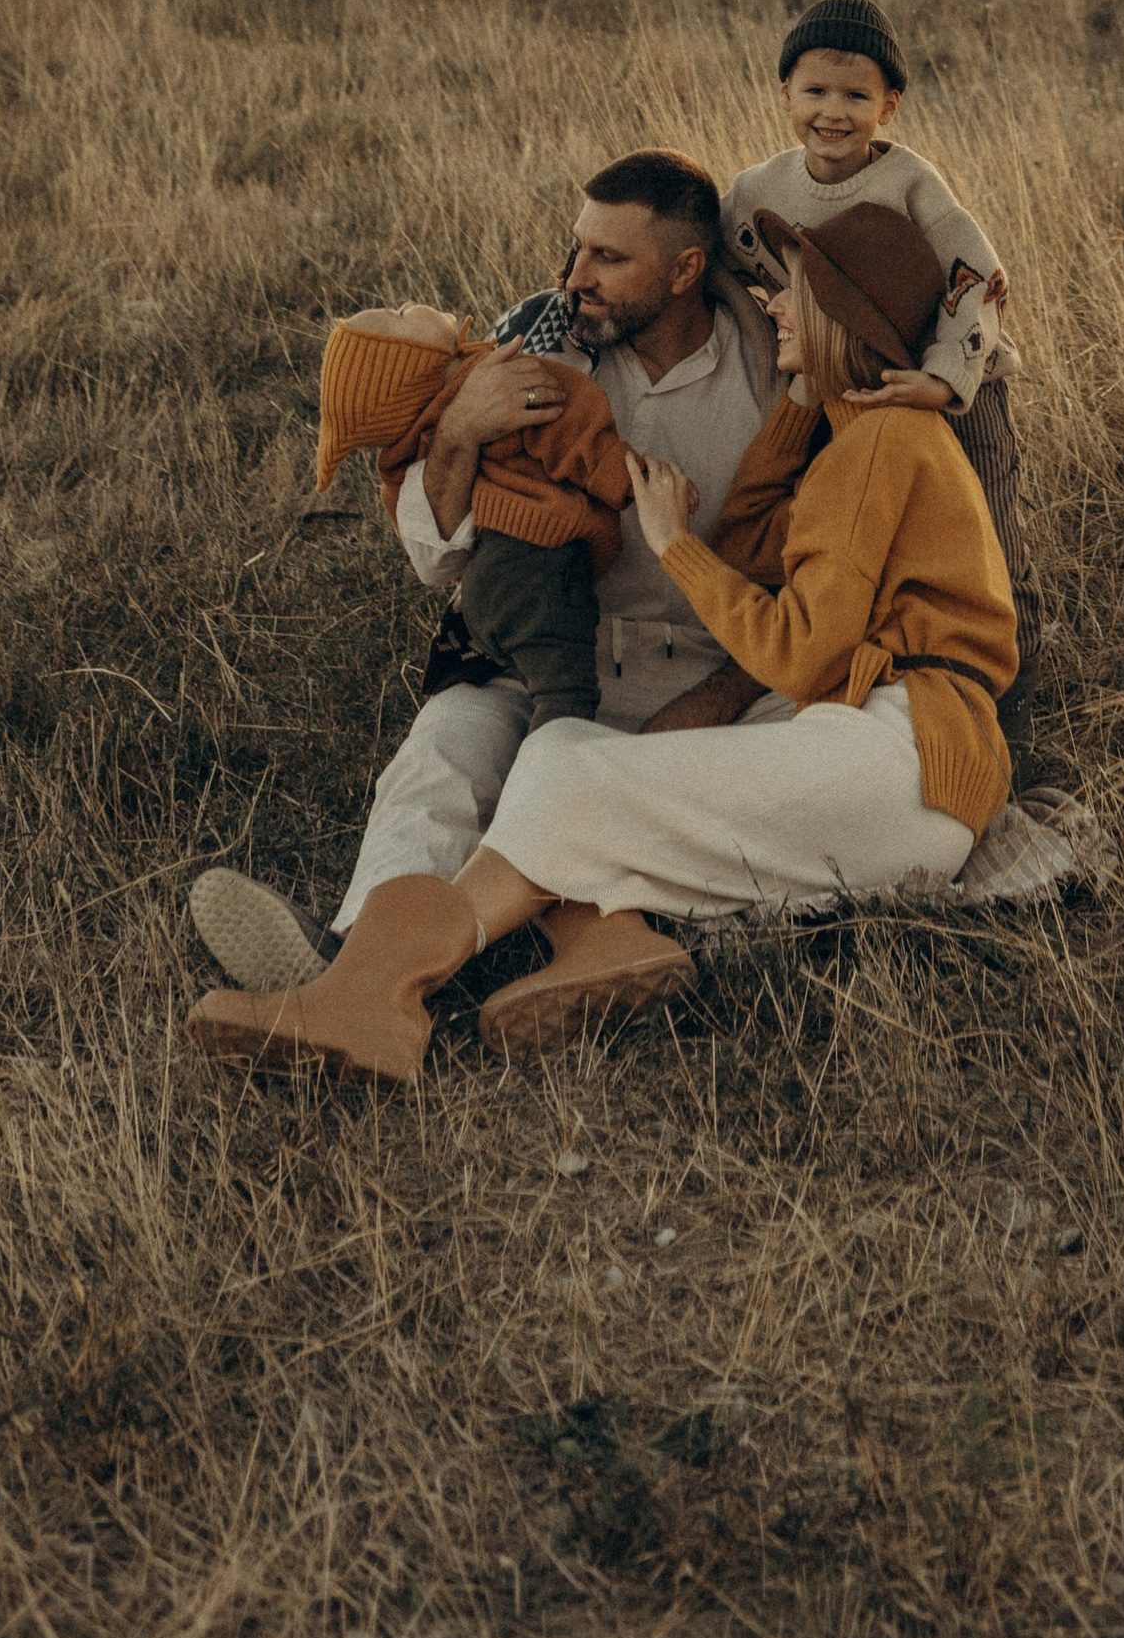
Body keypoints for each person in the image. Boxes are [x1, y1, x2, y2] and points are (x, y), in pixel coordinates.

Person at [187, 199, 1017, 1083]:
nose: (773, 302)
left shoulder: (881, 440)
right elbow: (753, 546)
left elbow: (801, 652)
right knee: (556, 755)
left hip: (911, 752)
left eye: (796, 295)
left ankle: (372, 992)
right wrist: (807, 399)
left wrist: (671, 546)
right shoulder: (846, 432)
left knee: (567, 772)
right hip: (875, 744)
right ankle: (522, 961)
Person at [187, 149, 780, 1039]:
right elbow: (440, 561)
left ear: (686, 269)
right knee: (443, 753)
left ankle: (591, 946)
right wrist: (460, 433)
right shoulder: (536, 344)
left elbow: (803, 581)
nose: (575, 277)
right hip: (544, 657)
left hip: (706, 667)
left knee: (778, 773)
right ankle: (353, 964)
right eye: (575, 248)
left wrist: (718, 697)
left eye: (608, 259)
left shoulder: (775, 381)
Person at [719, 0, 1045, 767]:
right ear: (783, 96)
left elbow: (977, 279)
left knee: (988, 529)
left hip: (950, 383)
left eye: (857, 97)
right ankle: (864, 656)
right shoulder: (758, 191)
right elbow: (724, 256)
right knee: (854, 521)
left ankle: (1018, 702)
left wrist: (942, 380)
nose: (833, 114)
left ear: (889, 106)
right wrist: (770, 318)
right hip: (846, 381)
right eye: (815, 93)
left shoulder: (909, 186)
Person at [309, 304, 633, 727]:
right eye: (400, 313)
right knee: (562, 701)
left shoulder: (411, 445)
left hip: (497, 596)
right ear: (414, 366)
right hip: (538, 575)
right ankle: (556, 759)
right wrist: (627, 479)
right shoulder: (514, 348)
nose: (408, 302)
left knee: (549, 692)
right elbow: (567, 422)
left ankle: (548, 756)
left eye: (609, 256)